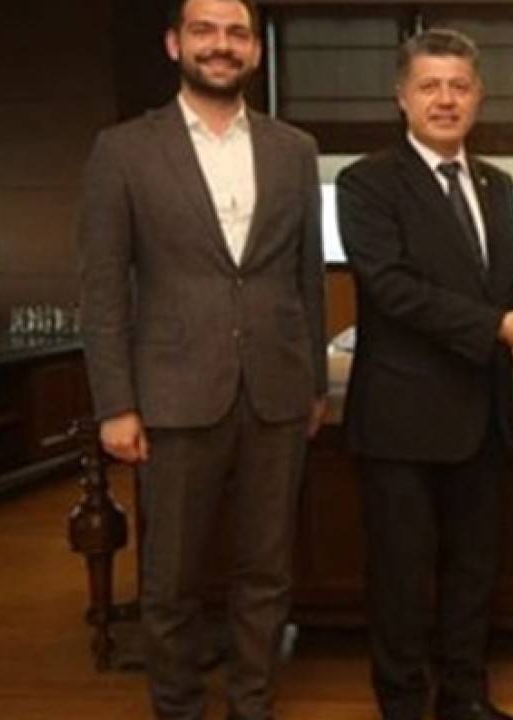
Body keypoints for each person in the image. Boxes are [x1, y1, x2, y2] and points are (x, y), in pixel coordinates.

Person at [77, 0, 327, 718]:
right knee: (172, 578)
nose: (222, 45)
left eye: (237, 33)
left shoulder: (294, 149)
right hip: (173, 395)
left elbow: (307, 276)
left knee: (266, 573)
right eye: (205, 31)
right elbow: (101, 288)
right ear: (174, 43)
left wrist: (312, 382)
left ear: (255, 49)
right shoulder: (122, 150)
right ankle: (179, 706)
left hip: (278, 393)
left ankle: (253, 703)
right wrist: (115, 403)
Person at [336, 28, 513, 720]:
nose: (445, 100)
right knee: (401, 578)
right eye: (429, 86)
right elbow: (392, 288)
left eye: (459, 86)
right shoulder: (366, 182)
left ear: (478, 96)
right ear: (402, 97)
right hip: (401, 419)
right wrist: (499, 325)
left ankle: (465, 697)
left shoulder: (495, 184)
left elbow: (509, 273)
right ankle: (404, 704)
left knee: (473, 570)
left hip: (482, 414)